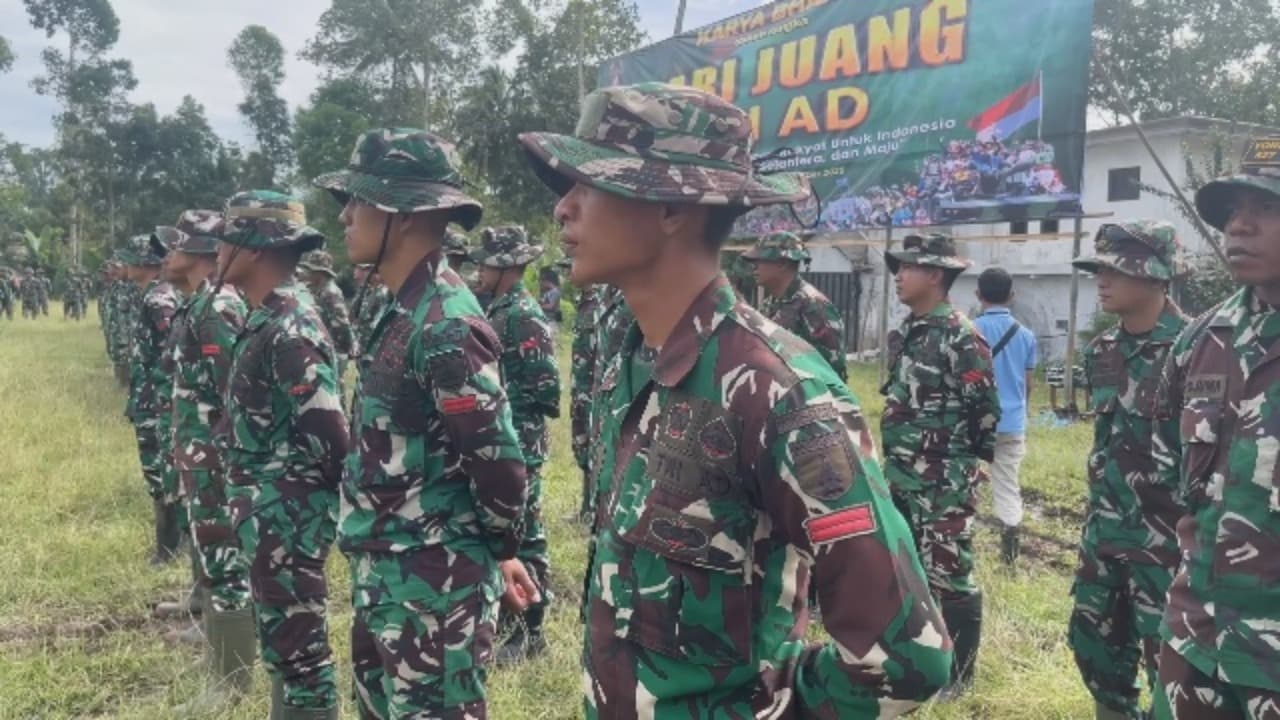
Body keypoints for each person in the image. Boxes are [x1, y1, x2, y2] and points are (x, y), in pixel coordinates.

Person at [519, 82, 949, 716]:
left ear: (672, 208)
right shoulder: (633, 359)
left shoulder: (777, 389)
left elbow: (907, 657)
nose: (564, 209)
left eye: (591, 183)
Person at [313, 128, 537, 718]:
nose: (346, 217)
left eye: (358, 202)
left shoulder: (444, 322)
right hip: (390, 574)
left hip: (435, 586)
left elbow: (500, 466)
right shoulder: (397, 305)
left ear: (404, 214)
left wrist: (498, 548)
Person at [1153, 140, 1280, 718]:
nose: (1241, 225)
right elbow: (1166, 479)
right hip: (1196, 645)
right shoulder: (1201, 340)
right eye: (1231, 211)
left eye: (1269, 208)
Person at [216, 190, 349, 720]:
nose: (218, 248)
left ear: (253, 247)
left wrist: (301, 512)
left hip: (288, 518)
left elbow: (330, 435)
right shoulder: (263, 318)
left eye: (228, 236)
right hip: (270, 514)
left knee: (301, 660)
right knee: (285, 652)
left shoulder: (291, 326)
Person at [1064, 221, 1189, 720]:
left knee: (1173, 672)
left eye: (1116, 269)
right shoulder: (1102, 352)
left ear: (1158, 277)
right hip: (1105, 536)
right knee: (1095, 654)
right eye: (1098, 268)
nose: (1102, 279)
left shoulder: (1197, 349)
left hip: (1166, 547)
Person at [881, 232, 999, 698]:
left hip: (941, 480)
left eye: (907, 267)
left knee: (950, 572)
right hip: (902, 475)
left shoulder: (960, 335)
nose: (898, 276)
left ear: (935, 274)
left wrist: (968, 464)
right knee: (909, 571)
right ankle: (920, 661)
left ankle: (959, 678)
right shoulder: (909, 330)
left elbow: (985, 410)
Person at [154, 210, 256, 705]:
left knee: (228, 562)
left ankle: (231, 682)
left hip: (216, 458)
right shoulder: (203, 303)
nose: (167, 255)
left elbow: (233, 393)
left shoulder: (219, 307)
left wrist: (223, 460)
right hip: (199, 455)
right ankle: (219, 652)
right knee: (216, 558)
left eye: (175, 246)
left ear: (196, 252)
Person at [470, 225, 561, 664]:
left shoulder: (522, 313)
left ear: (506, 265)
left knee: (528, 537)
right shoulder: (498, 309)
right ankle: (512, 622)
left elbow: (546, 386)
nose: (479, 270)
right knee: (511, 534)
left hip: (522, 440)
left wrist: (513, 410)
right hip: (507, 437)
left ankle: (531, 630)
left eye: (485, 262)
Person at [121, 234, 183, 566]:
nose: (126, 264)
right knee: (158, 471)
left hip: (158, 401)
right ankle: (172, 546)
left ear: (146, 262)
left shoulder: (159, 299)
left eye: (131, 258)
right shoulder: (152, 295)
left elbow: (172, 351)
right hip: (149, 398)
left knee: (160, 472)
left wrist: (164, 395)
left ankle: (169, 550)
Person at [972, 267, 1038, 564]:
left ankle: (962, 540)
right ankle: (1009, 549)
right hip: (1011, 421)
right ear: (1012, 296)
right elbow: (1028, 383)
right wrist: (1021, 412)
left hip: (974, 420)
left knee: (963, 477)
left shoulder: (969, 331)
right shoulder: (1026, 336)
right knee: (1007, 482)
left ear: (977, 295)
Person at [742, 231, 847, 380]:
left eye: (759, 261)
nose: (754, 267)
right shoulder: (770, 304)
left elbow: (831, 371)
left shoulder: (813, 305)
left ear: (782, 263)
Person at [561, 256, 606, 523]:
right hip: (582, 388)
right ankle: (587, 509)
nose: (568, 273)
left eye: (570, 266)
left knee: (596, 449)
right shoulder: (585, 303)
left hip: (597, 389)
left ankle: (596, 511)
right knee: (582, 446)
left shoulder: (604, 303)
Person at [297, 249, 356, 370]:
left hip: (335, 351)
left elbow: (343, 325)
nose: (308, 273)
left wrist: (343, 352)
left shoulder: (330, 293)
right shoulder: (318, 290)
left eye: (311, 270)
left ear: (321, 273)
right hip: (325, 348)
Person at [349, 263, 391, 358]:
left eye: (367, 271)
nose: (366, 274)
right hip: (359, 342)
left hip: (370, 345)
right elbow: (353, 313)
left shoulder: (382, 294)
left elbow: (367, 318)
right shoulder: (367, 290)